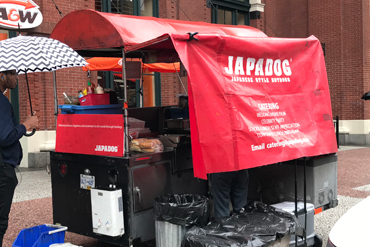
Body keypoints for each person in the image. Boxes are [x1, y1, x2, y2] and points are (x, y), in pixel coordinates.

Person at [0, 70, 39, 246]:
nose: (17, 78)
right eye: (14, 74)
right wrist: (25, 125)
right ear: (2, 75)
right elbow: (5, 137)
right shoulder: (1, 102)